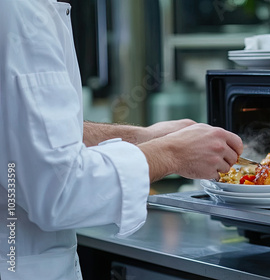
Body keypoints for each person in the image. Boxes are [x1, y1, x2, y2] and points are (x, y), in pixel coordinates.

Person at [0, 0, 243, 279]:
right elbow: (59, 191)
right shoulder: (22, 10)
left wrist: (144, 136)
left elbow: (23, 130)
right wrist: (172, 153)